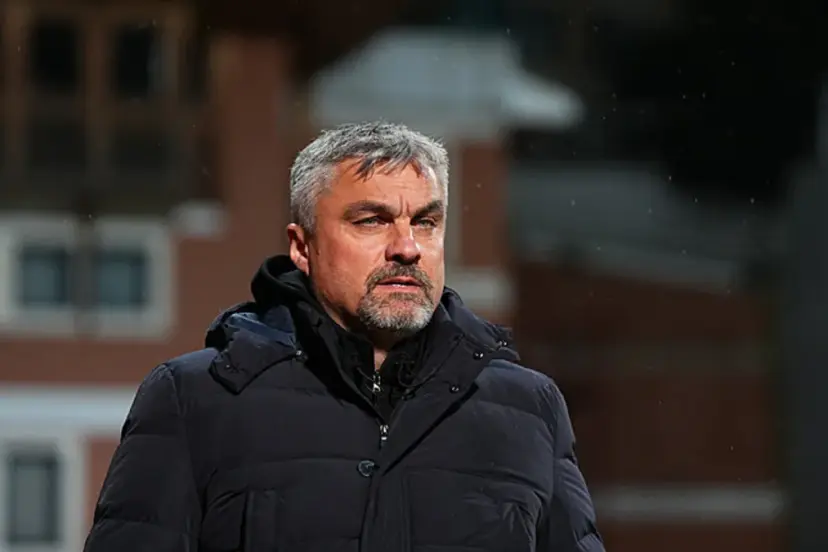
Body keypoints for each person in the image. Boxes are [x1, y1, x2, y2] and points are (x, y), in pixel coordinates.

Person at [84, 121, 604, 552]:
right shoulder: (196, 399)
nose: (407, 248)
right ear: (302, 246)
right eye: (372, 221)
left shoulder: (529, 408)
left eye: (426, 222)